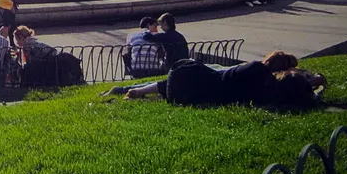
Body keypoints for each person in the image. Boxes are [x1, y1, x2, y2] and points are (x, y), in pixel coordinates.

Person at [110, 59, 318, 109]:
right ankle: (142, 95)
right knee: (199, 82)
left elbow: (229, 72)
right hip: (187, 97)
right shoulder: (266, 98)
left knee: (199, 72)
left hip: (183, 74)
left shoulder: (258, 69)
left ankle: (137, 91)